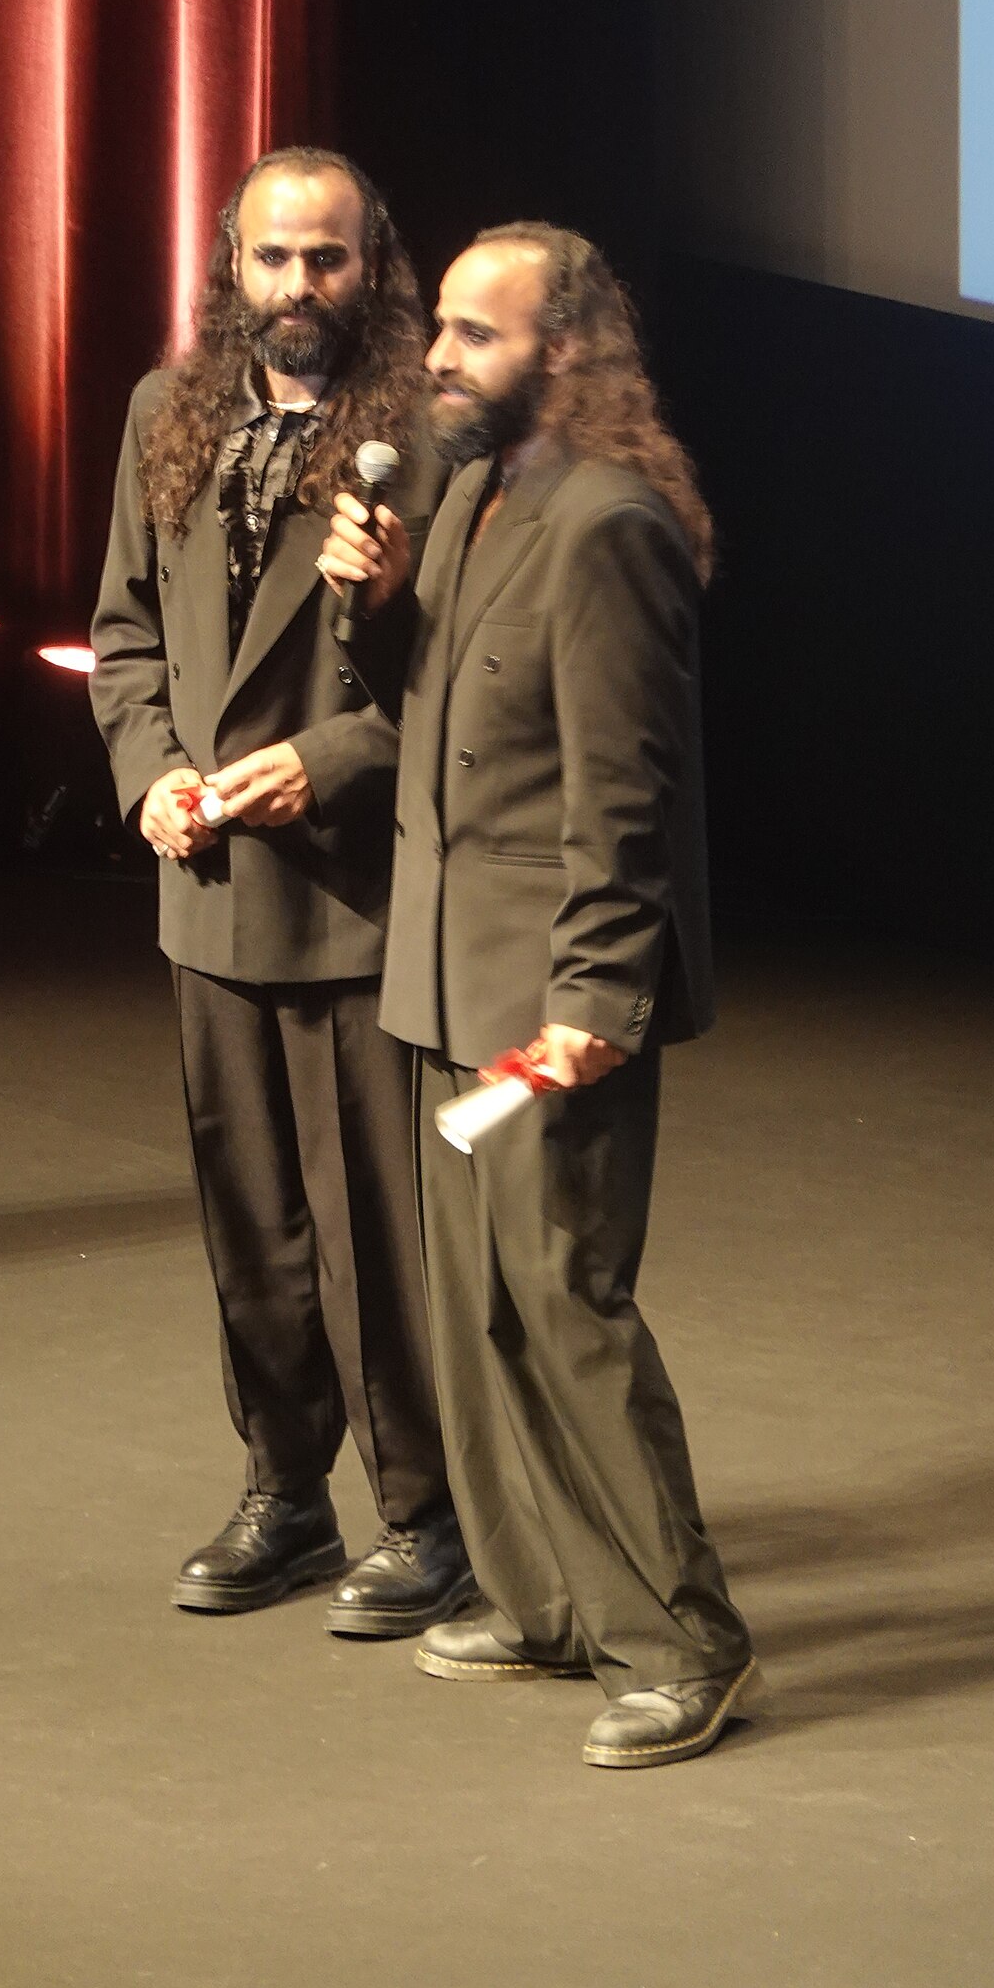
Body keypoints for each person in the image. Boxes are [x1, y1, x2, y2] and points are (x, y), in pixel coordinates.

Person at [320, 221, 761, 1767]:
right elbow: (419, 725)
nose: (437, 354)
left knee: (566, 1305)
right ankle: (541, 1602)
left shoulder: (608, 527)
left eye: (475, 334)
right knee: (476, 1312)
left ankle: (683, 1639)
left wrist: (595, 997)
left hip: (549, 1000)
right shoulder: (464, 499)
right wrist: (361, 604)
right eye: (439, 326)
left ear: (560, 352)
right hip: (446, 976)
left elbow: (624, 798)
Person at [91, 146, 470, 1636]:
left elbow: (461, 686)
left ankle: (426, 1511)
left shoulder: (430, 441)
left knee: (375, 1224)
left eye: (326, 259)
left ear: (373, 267)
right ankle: (287, 1491)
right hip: (210, 882)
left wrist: (329, 756)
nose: (297, 289)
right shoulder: (165, 412)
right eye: (272, 260)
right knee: (249, 1215)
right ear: (229, 268)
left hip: (356, 890)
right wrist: (152, 778)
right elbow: (124, 637)